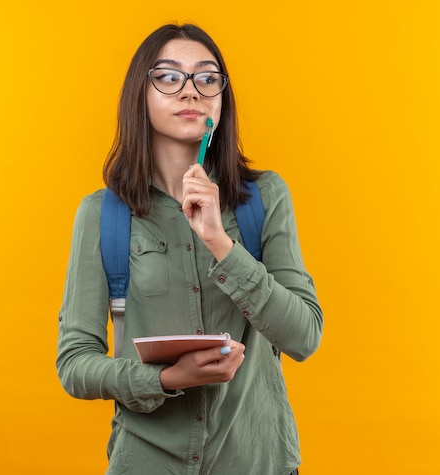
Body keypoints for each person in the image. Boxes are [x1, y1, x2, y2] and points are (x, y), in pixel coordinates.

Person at [56, 23, 323, 475]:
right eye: (169, 76)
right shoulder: (104, 214)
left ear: (222, 97)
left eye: (206, 77)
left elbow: (304, 338)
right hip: (145, 460)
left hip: (257, 460)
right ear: (140, 94)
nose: (190, 91)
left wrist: (221, 241)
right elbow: (74, 364)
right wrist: (164, 380)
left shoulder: (266, 198)